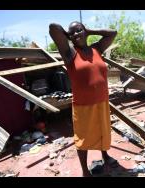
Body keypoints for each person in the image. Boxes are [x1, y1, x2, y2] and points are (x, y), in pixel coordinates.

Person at [49, 21, 118, 177]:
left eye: (78, 31)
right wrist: (70, 35)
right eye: (72, 33)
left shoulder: (97, 49)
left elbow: (113, 32)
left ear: (85, 31)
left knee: (103, 132)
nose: (75, 34)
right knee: (82, 139)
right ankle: (85, 171)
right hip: (83, 105)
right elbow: (53, 28)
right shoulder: (70, 53)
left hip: (102, 101)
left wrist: (89, 30)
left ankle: (105, 156)